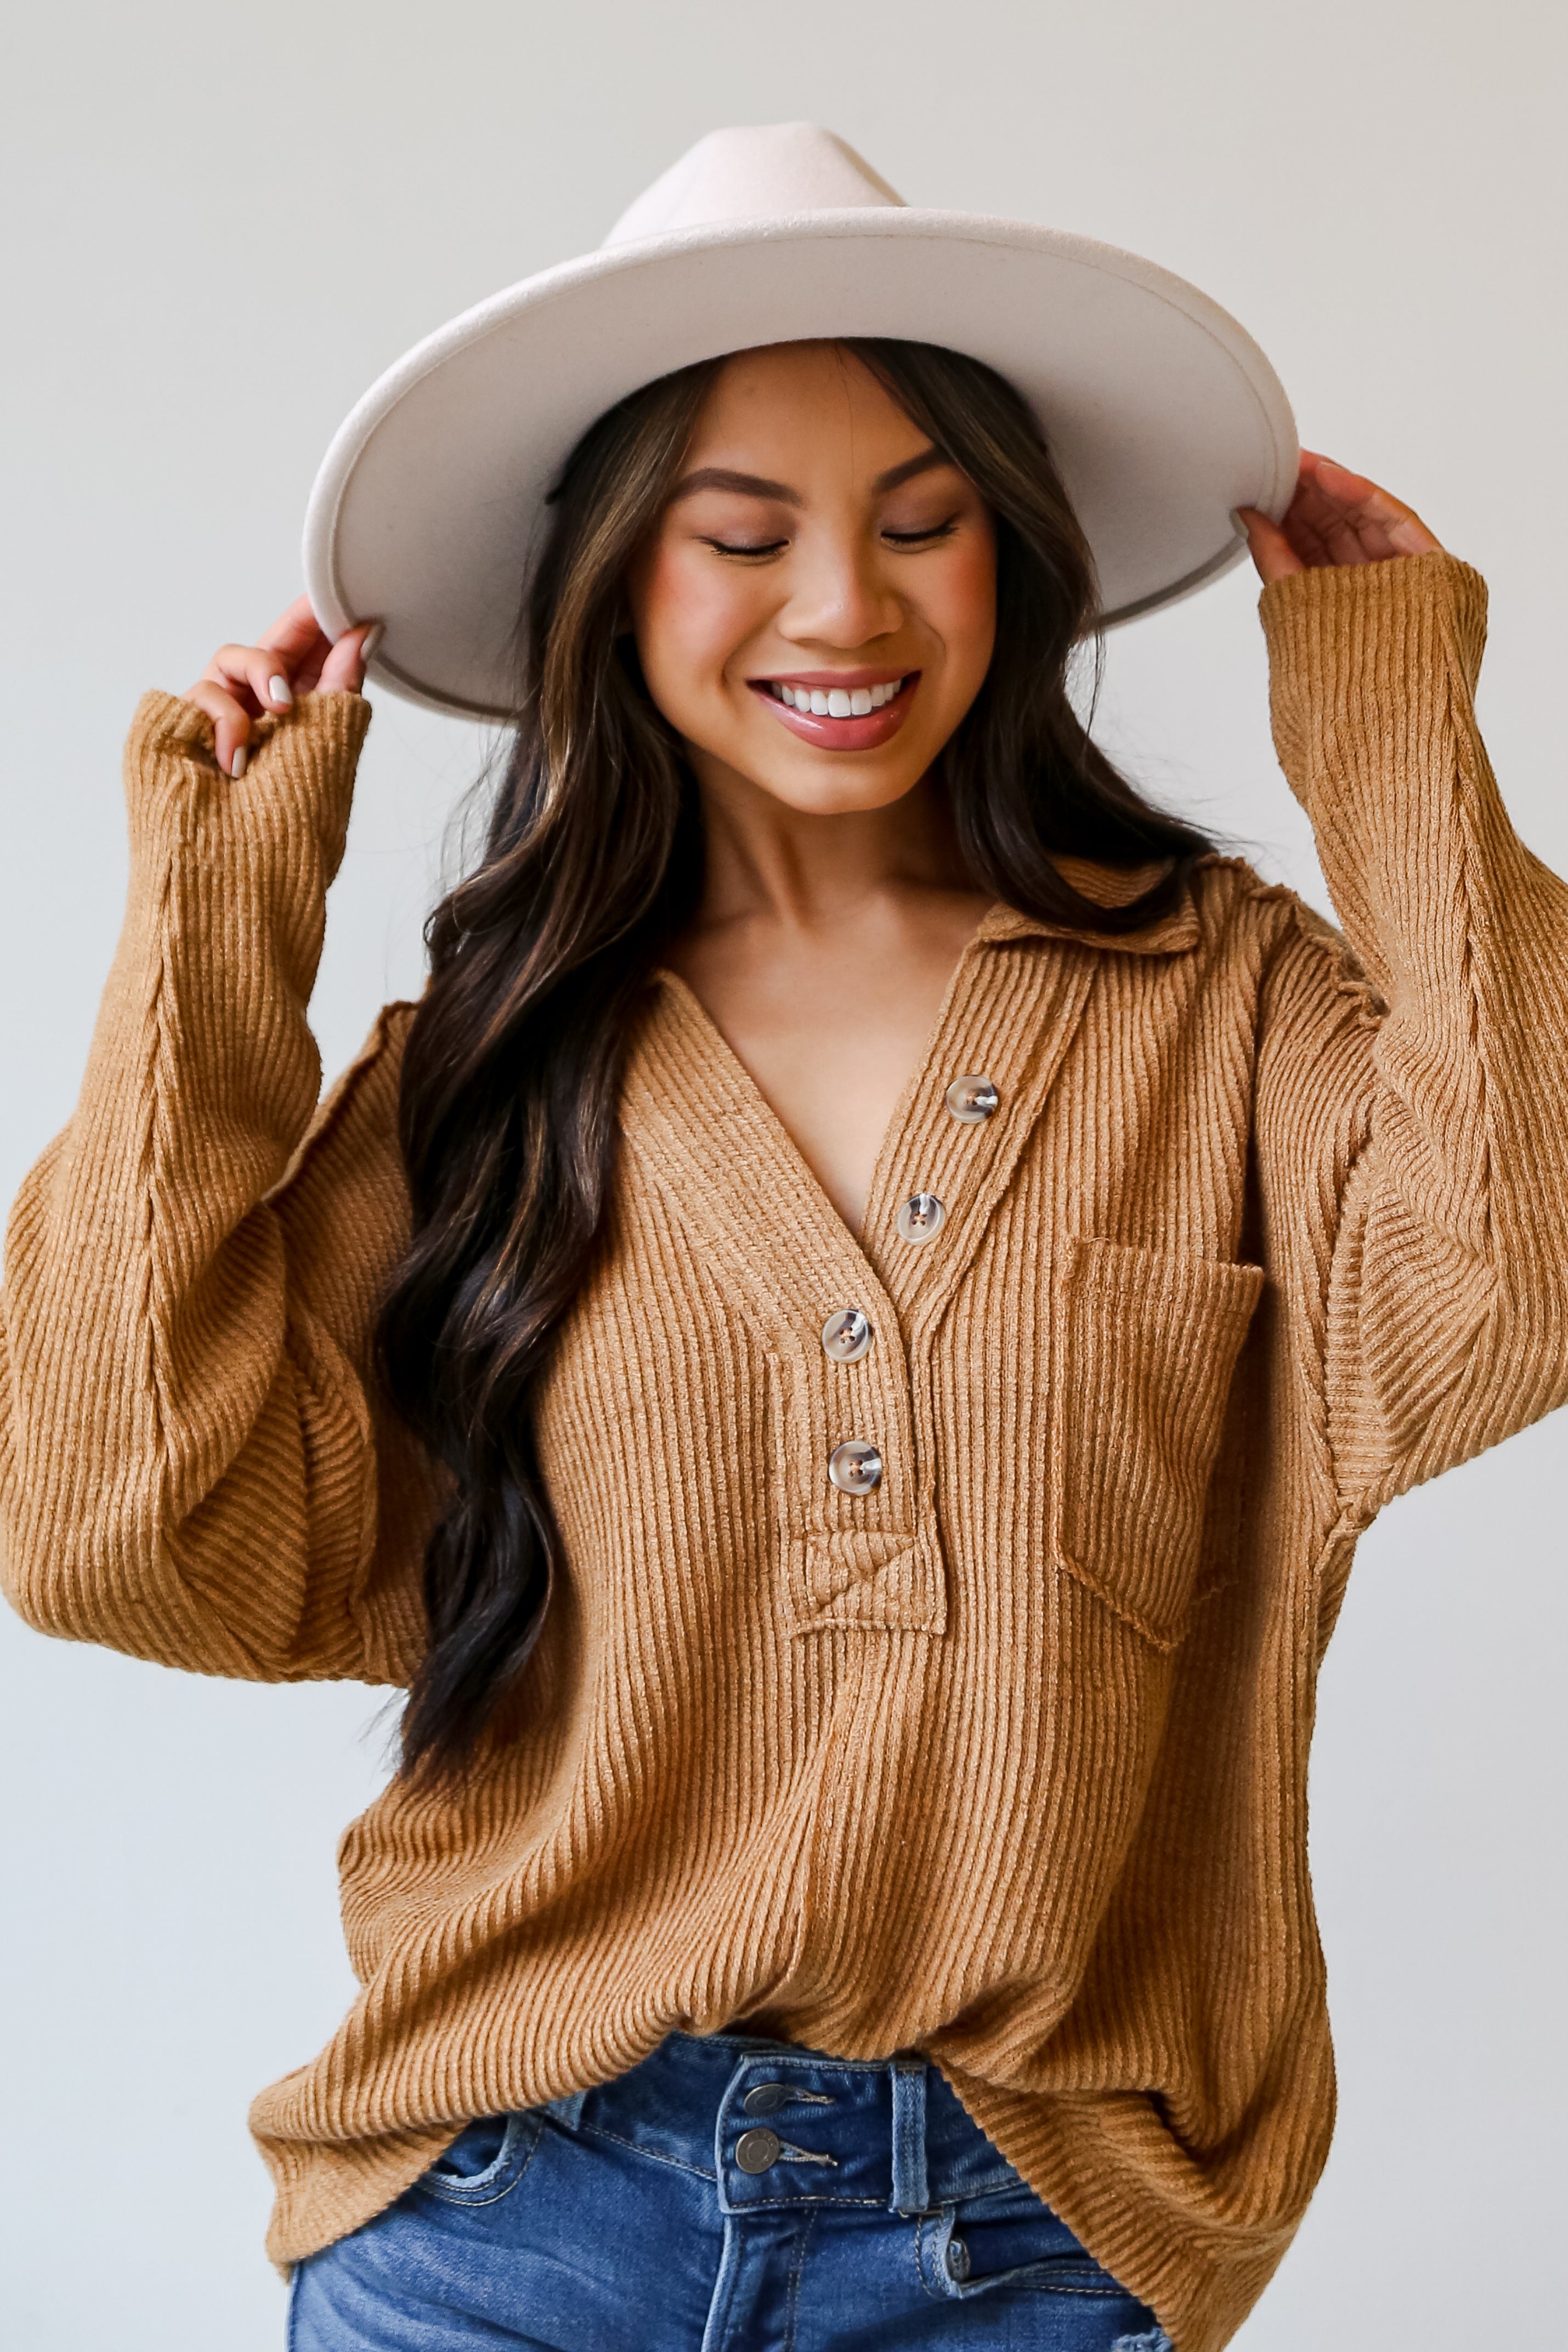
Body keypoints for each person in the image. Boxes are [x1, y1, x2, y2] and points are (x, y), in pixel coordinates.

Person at [3, 124, 1565, 2352]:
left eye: (924, 525)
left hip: (1021, 2249)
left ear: (1009, 564)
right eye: (743, 537)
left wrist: (1394, 719)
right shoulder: (484, 1073)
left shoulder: (1221, 1008)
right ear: (614, 588)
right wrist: (212, 924)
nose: (846, 607)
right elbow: (115, 1527)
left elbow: (1510, 1285)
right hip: (500, 2213)